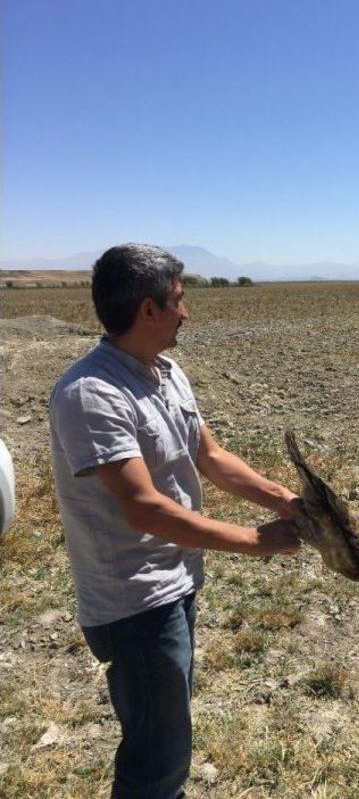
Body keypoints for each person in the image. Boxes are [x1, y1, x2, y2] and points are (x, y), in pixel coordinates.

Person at [49, 244, 301, 799]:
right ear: (148, 310)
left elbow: (208, 456)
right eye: (179, 301)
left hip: (177, 584)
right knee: (157, 756)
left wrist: (283, 498)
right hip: (133, 603)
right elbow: (144, 508)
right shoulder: (91, 394)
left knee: (166, 732)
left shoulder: (164, 372)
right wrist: (257, 541)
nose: (186, 312)